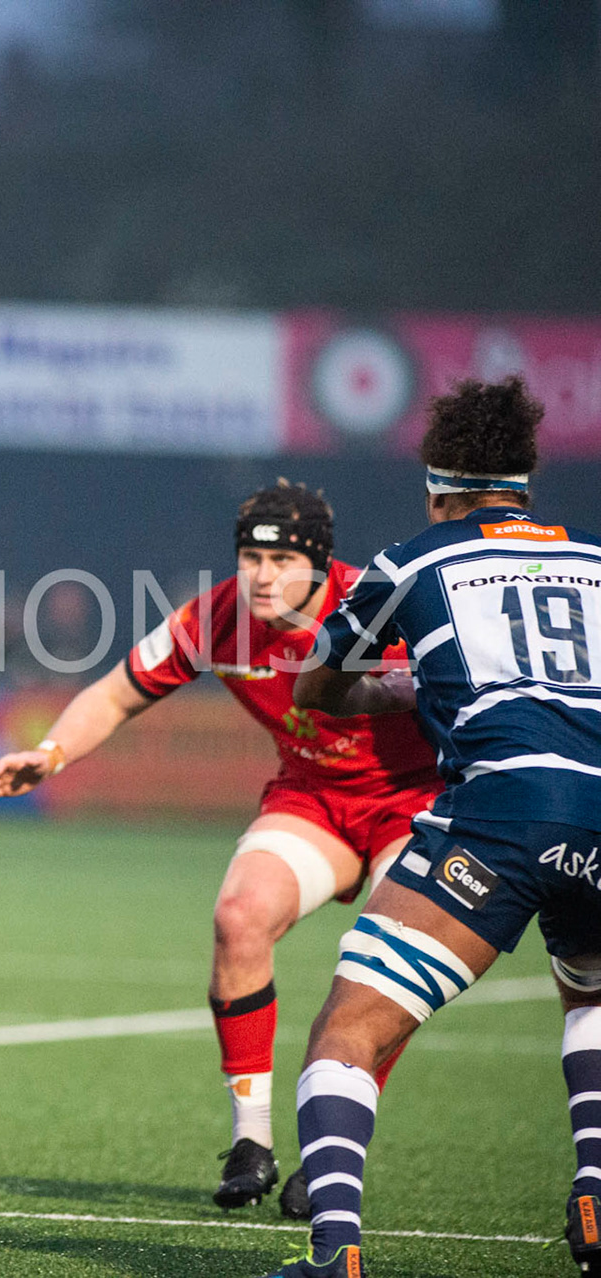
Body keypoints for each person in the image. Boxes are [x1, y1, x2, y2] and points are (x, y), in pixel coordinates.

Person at [0, 482, 442, 1217]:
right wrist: (52, 752)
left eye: (282, 558)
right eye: (251, 556)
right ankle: (251, 1142)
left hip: (416, 802)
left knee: (383, 968)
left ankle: (331, 1155)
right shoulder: (217, 615)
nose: (262, 575)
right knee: (238, 916)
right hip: (312, 796)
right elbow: (116, 692)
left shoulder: (383, 604)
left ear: (319, 564)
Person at [270, 377, 601, 1278]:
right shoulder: (598, 560)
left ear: (437, 486)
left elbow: (316, 686)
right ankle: (596, 1200)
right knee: (592, 992)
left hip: (500, 815)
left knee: (350, 1029)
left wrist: (392, 689)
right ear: (526, 480)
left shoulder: (414, 561)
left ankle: (334, 1250)